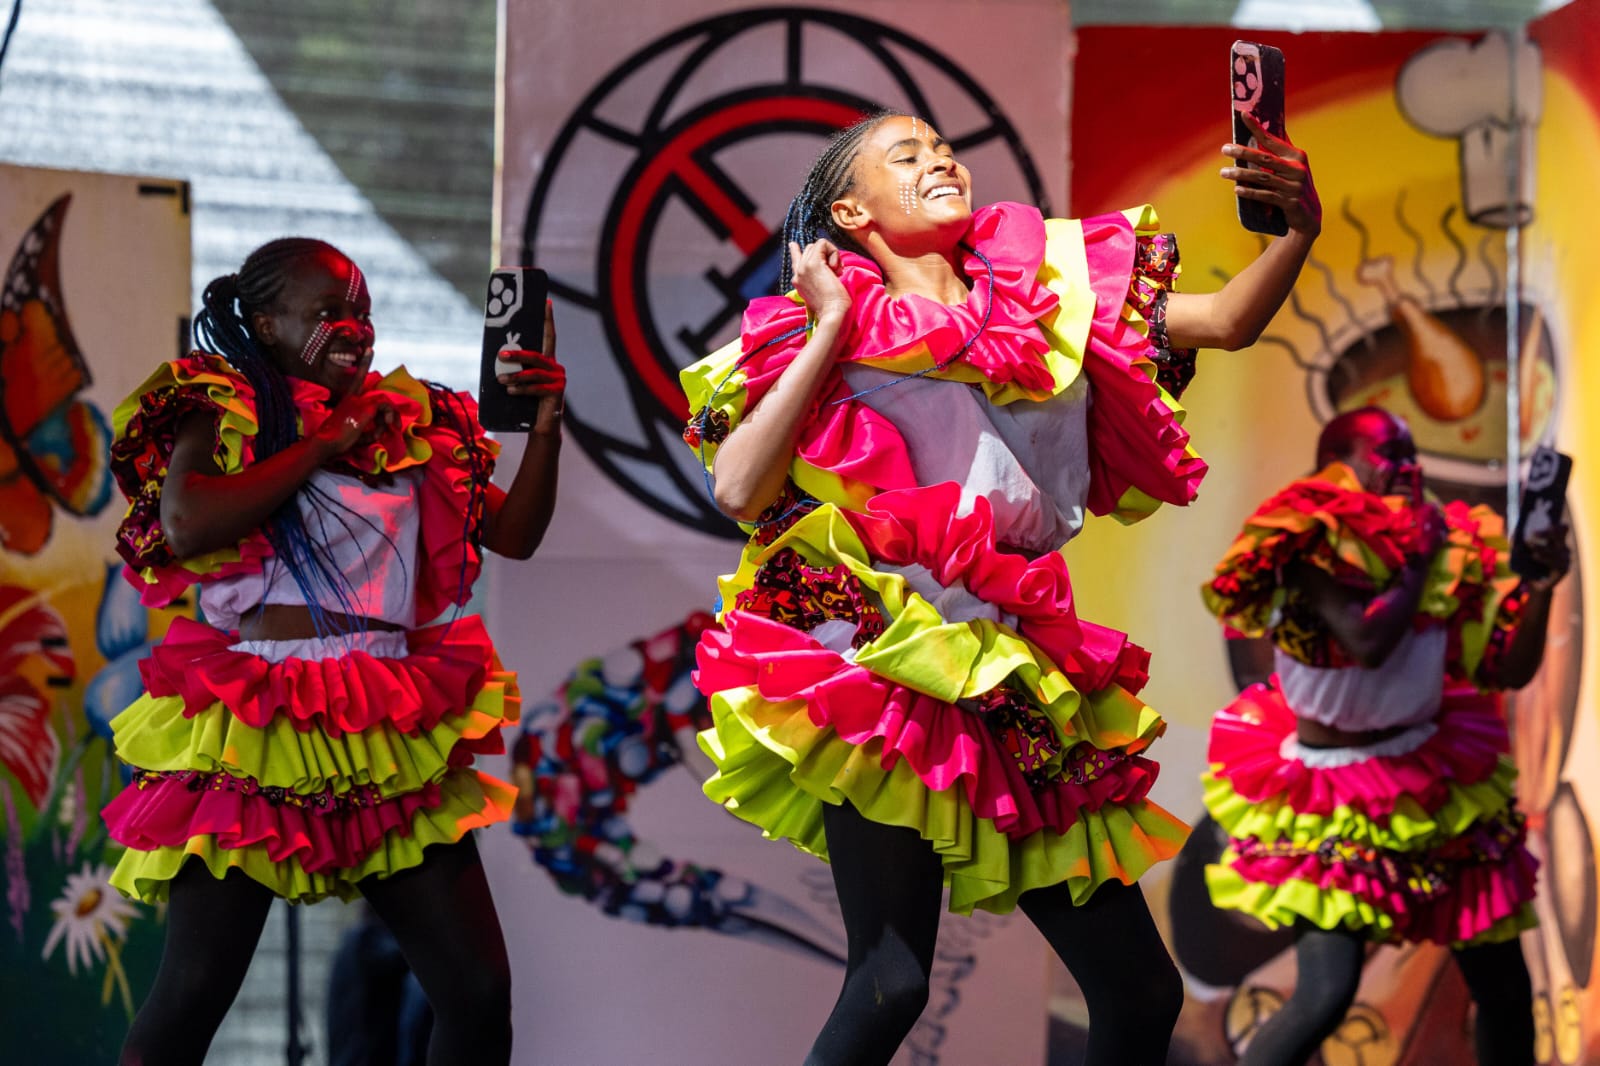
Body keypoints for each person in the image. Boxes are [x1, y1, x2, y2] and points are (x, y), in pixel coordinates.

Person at [678, 109, 1321, 1065]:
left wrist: (1300, 227)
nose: (939, 158)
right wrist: (831, 326)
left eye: (943, 146)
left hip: (1015, 666)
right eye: (908, 155)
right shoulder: (828, 325)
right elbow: (737, 487)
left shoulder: (1053, 295)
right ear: (852, 212)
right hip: (882, 659)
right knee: (891, 981)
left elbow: (1226, 321)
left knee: (1142, 995)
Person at [100, 237, 564, 1066]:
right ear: (266, 322)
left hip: (384, 720)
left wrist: (548, 423)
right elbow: (186, 524)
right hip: (259, 721)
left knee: (478, 994)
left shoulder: (410, 422)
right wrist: (325, 437)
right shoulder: (228, 409)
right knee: (195, 992)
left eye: (363, 311)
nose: (355, 328)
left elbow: (516, 535)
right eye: (328, 313)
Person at [1199, 407, 1568, 1066]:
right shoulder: (1304, 537)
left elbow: (1507, 668)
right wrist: (1422, 557)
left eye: (1411, 454)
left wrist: (1540, 586)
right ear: (1340, 462)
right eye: (1389, 455)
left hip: (1433, 778)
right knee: (1326, 994)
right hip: (1331, 793)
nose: (1410, 469)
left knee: (1505, 989)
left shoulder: (1452, 544)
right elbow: (1366, 640)